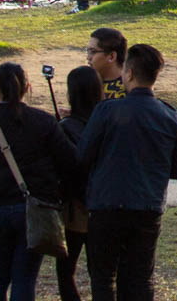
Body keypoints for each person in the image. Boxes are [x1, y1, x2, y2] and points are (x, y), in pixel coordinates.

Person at [77, 43, 177, 301]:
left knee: (103, 278)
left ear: (128, 74)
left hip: (106, 205)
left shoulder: (107, 110)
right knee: (139, 277)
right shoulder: (169, 115)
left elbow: (83, 155)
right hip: (147, 207)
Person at [0, 62, 78, 301]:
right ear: (27, 87)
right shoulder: (43, 121)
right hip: (34, 208)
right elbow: (69, 161)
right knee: (25, 278)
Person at [55, 66, 104, 301]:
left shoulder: (66, 127)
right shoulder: (107, 121)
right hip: (105, 205)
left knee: (66, 271)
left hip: (76, 210)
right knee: (101, 272)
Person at [86, 28, 127, 102]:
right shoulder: (88, 83)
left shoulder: (129, 89)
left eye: (93, 51)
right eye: (88, 51)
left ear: (111, 57)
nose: (88, 57)